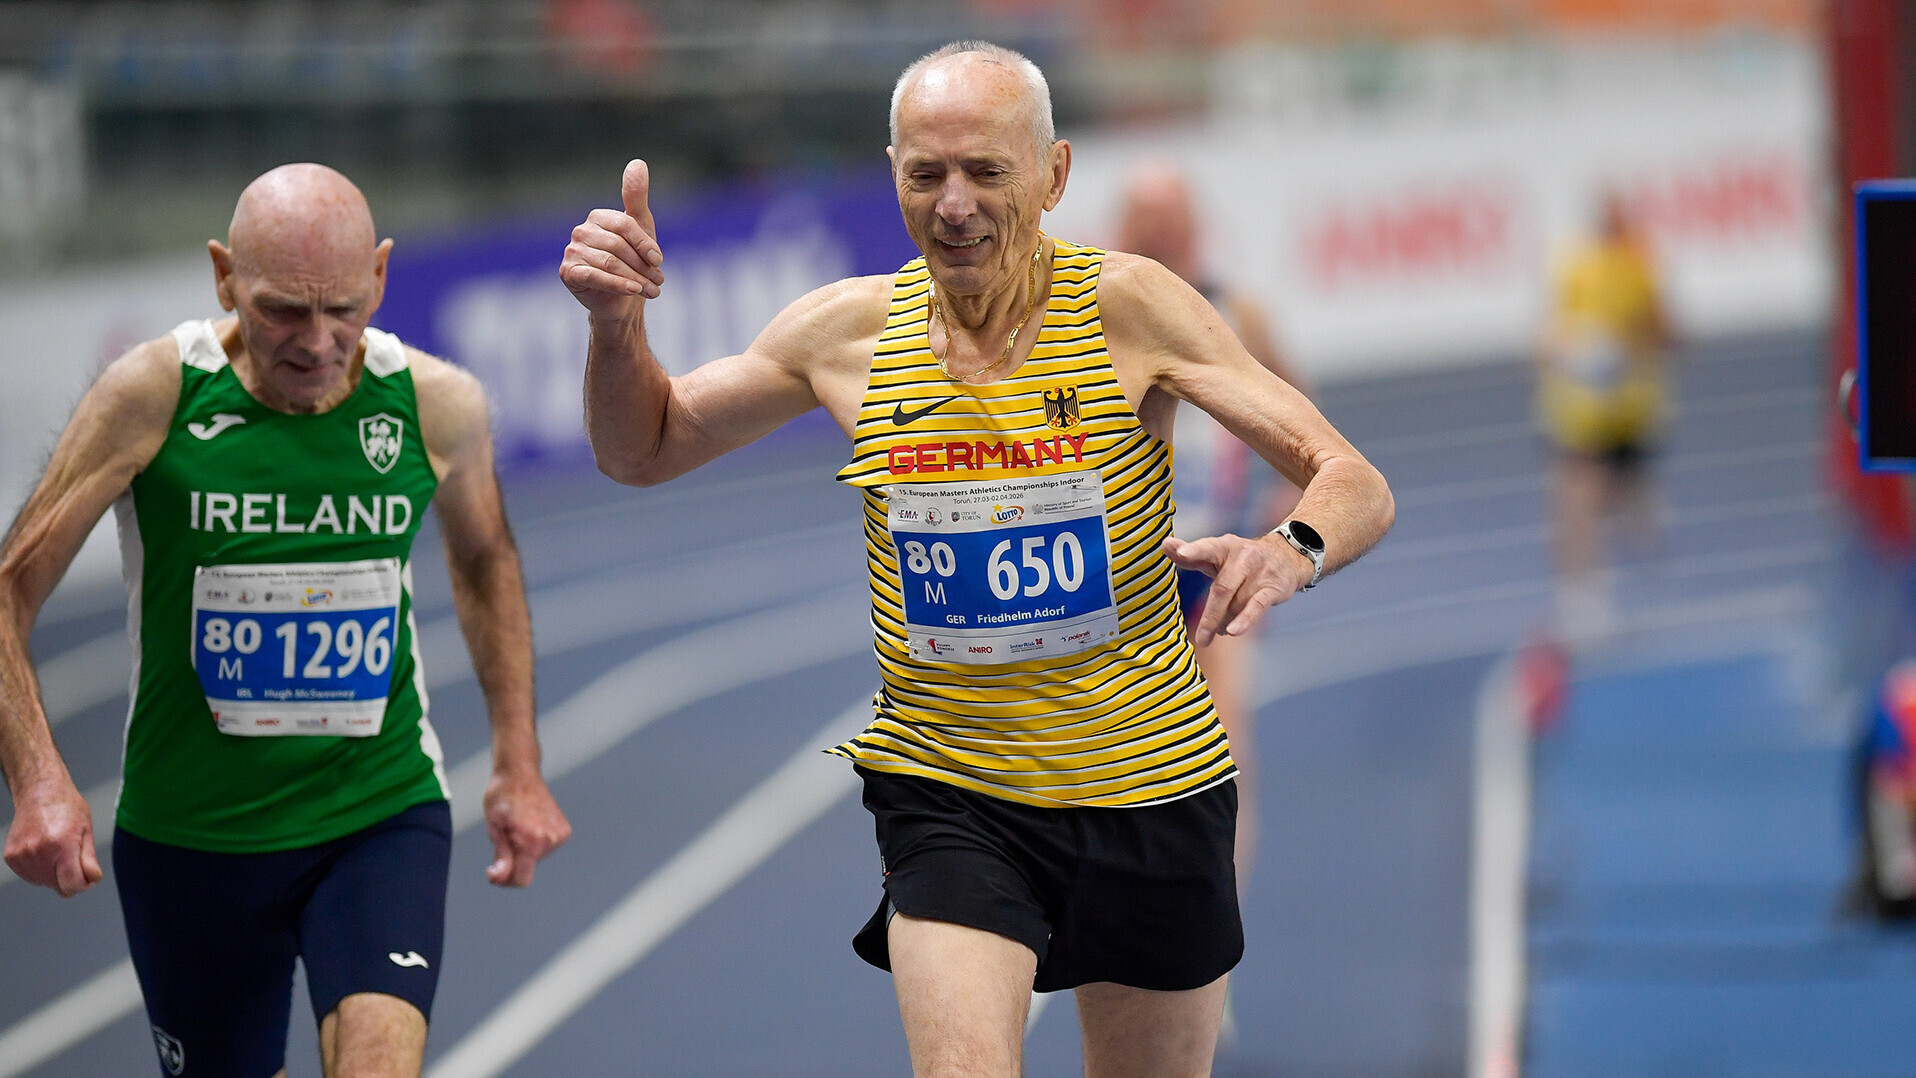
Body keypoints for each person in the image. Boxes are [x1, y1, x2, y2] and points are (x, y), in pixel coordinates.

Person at [562, 41, 1393, 1077]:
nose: (952, 204)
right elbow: (639, 448)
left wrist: (1287, 549)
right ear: (893, 171)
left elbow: (1349, 477)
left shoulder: (1129, 308)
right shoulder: (843, 333)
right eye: (925, 174)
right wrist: (615, 329)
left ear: (1051, 175)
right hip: (952, 796)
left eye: (985, 172)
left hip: (1151, 786)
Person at [0, 163, 571, 1078]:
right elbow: (9, 587)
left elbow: (483, 558)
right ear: (224, 276)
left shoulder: (436, 405)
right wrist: (38, 779)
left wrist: (519, 762)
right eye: (281, 312)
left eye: (344, 308)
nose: (317, 341)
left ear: (382, 278)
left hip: (376, 810)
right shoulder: (154, 395)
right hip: (193, 838)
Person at [1115, 160, 1306, 886]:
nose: (1159, 234)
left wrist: (1287, 501)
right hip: (1125, 576)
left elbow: (1296, 409)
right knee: (1121, 764)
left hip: (1213, 563)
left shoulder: (1236, 313)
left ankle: (1217, 952)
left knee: (1224, 756)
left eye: (1171, 220)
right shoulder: (1087, 315)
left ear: (1194, 227)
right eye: (1145, 220)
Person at [1538, 191, 1672, 643]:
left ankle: (1646, 580)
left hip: (1631, 411)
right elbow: (1548, 337)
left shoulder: (1642, 265)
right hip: (1583, 415)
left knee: (1636, 514)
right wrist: (1579, 354)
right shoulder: (1577, 267)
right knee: (1577, 501)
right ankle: (1583, 597)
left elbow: (1667, 331)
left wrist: (1626, 353)